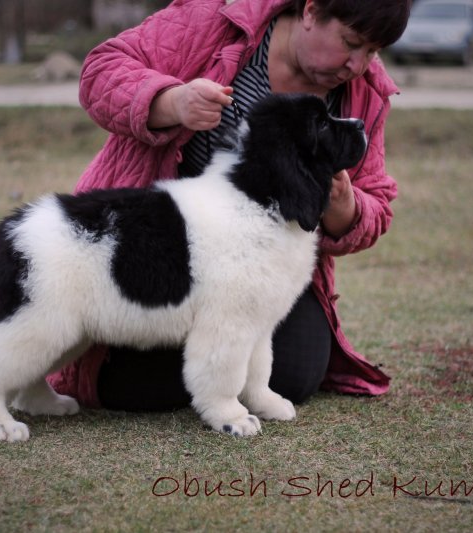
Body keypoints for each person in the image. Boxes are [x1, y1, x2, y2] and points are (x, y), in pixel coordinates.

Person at [47, 0, 410, 412]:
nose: (358, 65)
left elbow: (375, 205)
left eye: (374, 52)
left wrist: (343, 204)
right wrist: (171, 101)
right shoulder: (218, 18)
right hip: (160, 248)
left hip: (264, 264)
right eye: (351, 42)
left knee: (293, 374)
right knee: (132, 378)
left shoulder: (366, 91)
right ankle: (192, 371)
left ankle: (209, 368)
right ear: (311, 10)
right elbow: (100, 70)